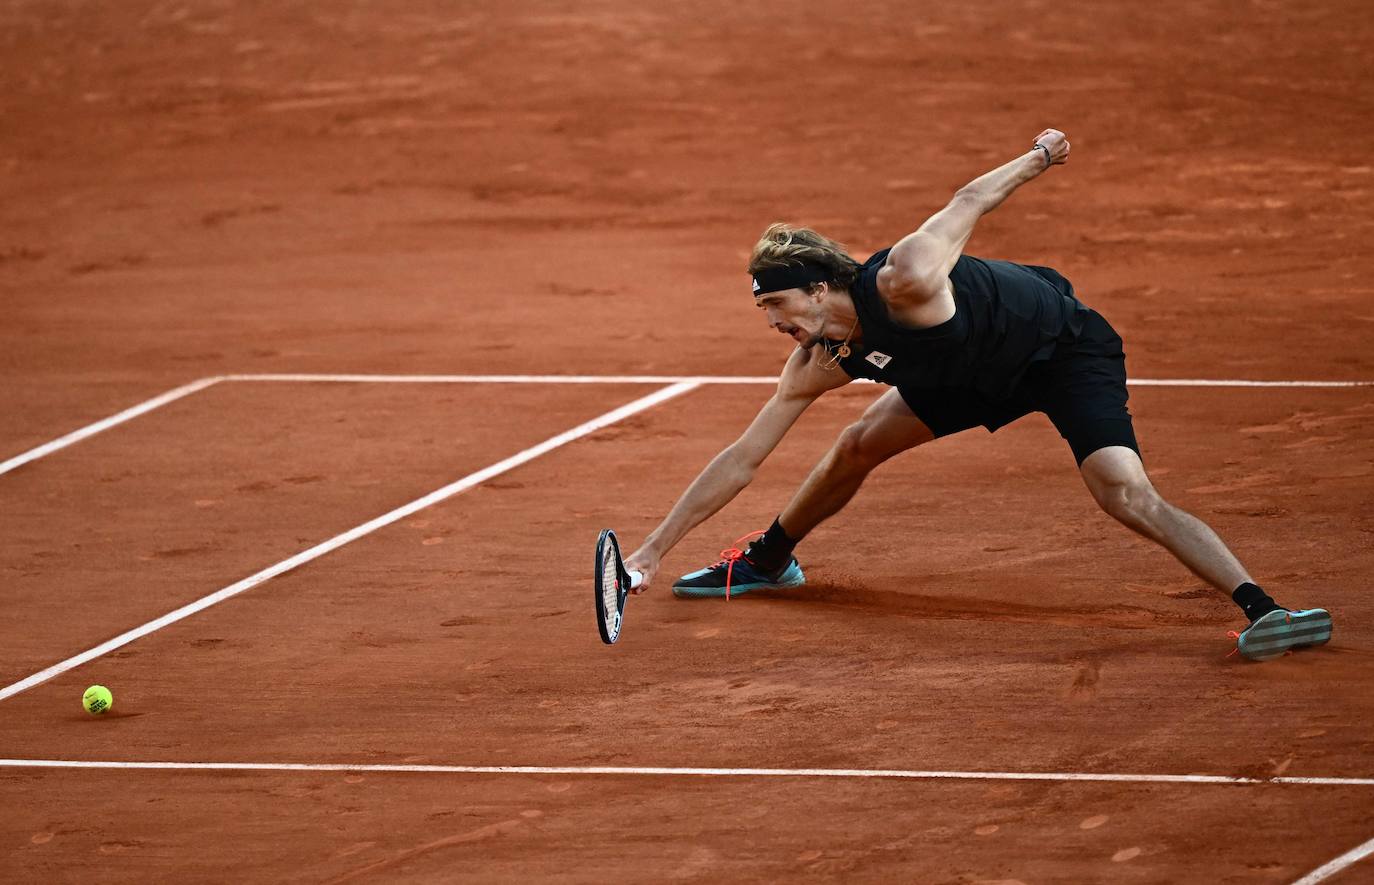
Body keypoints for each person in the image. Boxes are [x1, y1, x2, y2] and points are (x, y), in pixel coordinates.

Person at [622, 128, 1331, 662]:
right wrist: (649, 552)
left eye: (777, 302)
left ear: (818, 286)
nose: (773, 321)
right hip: (962, 376)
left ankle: (1264, 607)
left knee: (1123, 491)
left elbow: (967, 200)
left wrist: (1040, 155)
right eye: (763, 310)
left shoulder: (905, 278)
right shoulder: (822, 358)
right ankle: (770, 559)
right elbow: (745, 456)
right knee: (856, 444)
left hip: (1059, 350)